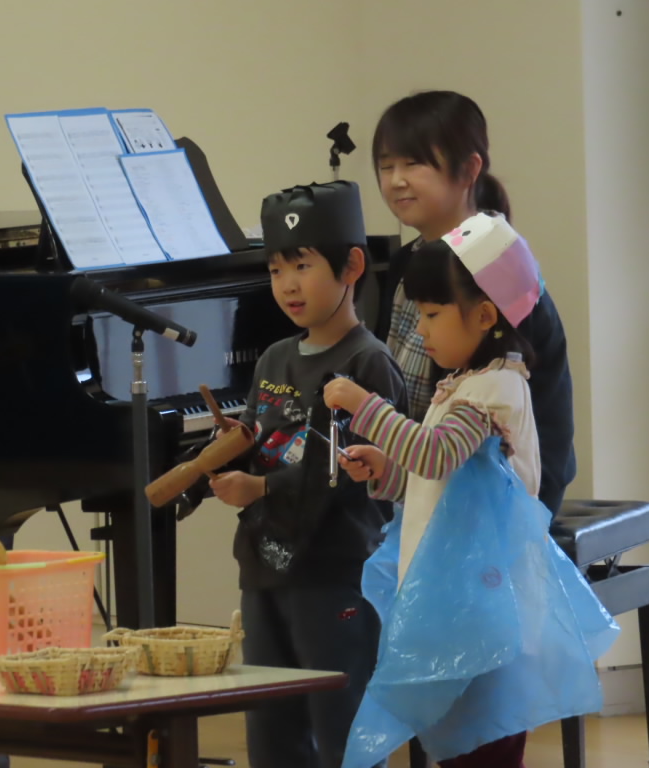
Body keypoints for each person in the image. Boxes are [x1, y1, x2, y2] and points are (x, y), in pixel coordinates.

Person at [324, 213, 617, 768]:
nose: (421, 330)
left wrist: (366, 407)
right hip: (463, 600)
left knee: (483, 748)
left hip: (485, 608)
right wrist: (387, 470)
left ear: (485, 316)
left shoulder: (491, 390)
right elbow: (440, 478)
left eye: (432, 314)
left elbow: (435, 453)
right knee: (464, 748)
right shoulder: (470, 383)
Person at [205, 180, 409, 768]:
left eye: (302, 265)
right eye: (275, 270)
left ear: (352, 266)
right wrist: (232, 453)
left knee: (341, 727)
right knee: (272, 728)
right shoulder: (274, 357)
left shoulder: (368, 362)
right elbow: (256, 439)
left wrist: (260, 487)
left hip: (335, 572)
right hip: (265, 567)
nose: (287, 284)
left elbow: (350, 474)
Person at [371, 89, 575, 517]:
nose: (396, 180)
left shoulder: (502, 269)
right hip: (421, 484)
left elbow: (541, 417)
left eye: (414, 163)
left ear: (469, 169)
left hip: (489, 508)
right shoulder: (407, 261)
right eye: (386, 166)